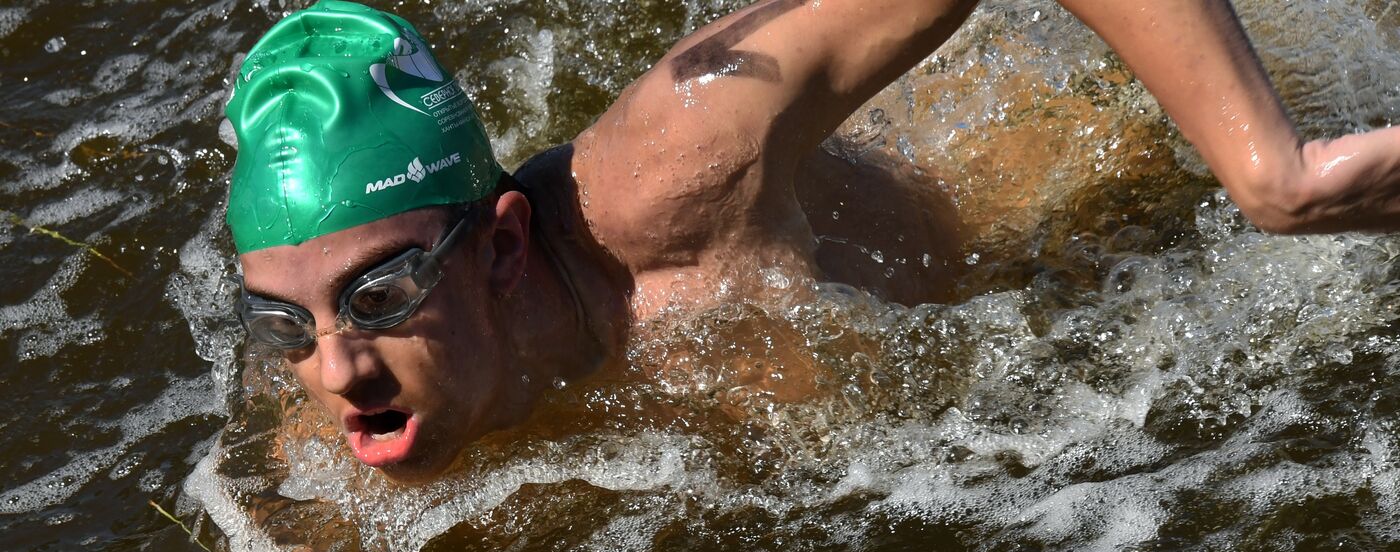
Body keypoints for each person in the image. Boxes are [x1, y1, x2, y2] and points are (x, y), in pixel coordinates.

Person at [226, 0, 1400, 484]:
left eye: (379, 295)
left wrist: (1271, 175)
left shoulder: (678, 168)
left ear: (500, 248)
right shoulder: (343, 419)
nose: (337, 371)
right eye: (284, 321)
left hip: (1086, 175)